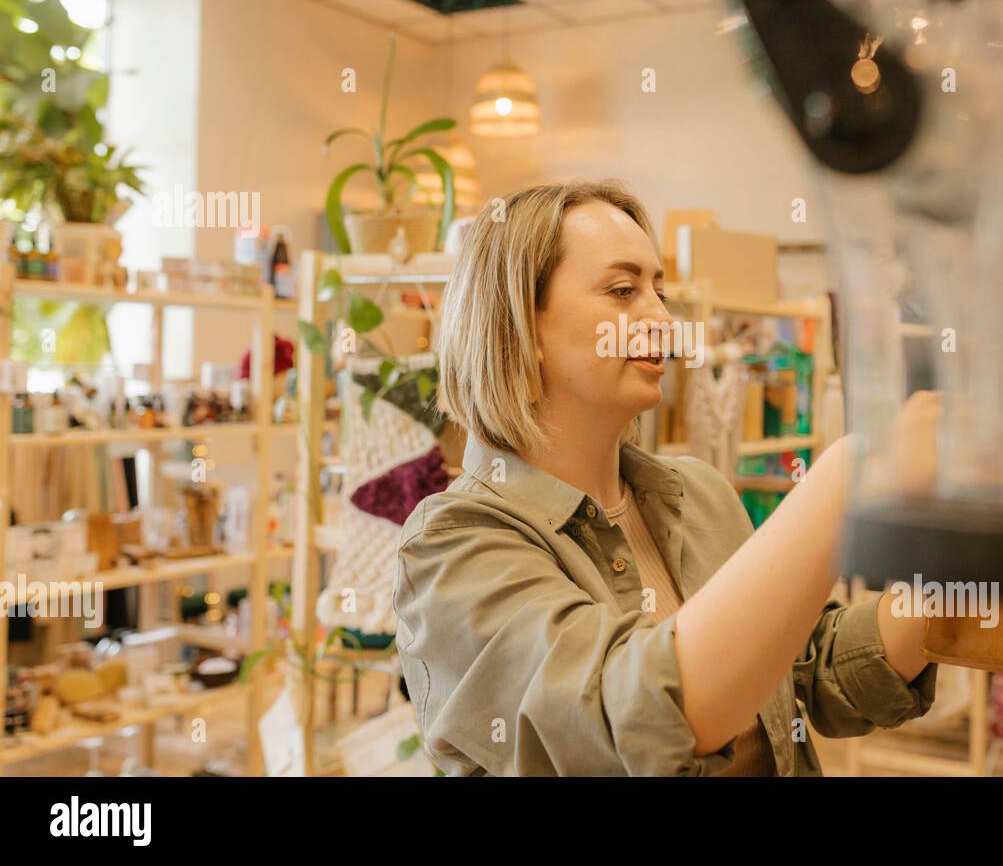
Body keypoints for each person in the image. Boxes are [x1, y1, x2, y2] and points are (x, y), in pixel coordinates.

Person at [394, 178, 947, 776]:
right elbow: (624, 719)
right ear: (522, 330)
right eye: (623, 290)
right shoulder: (451, 548)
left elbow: (814, 665)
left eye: (660, 291)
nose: (662, 318)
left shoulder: (698, 492)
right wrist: (851, 475)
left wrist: (959, 577)